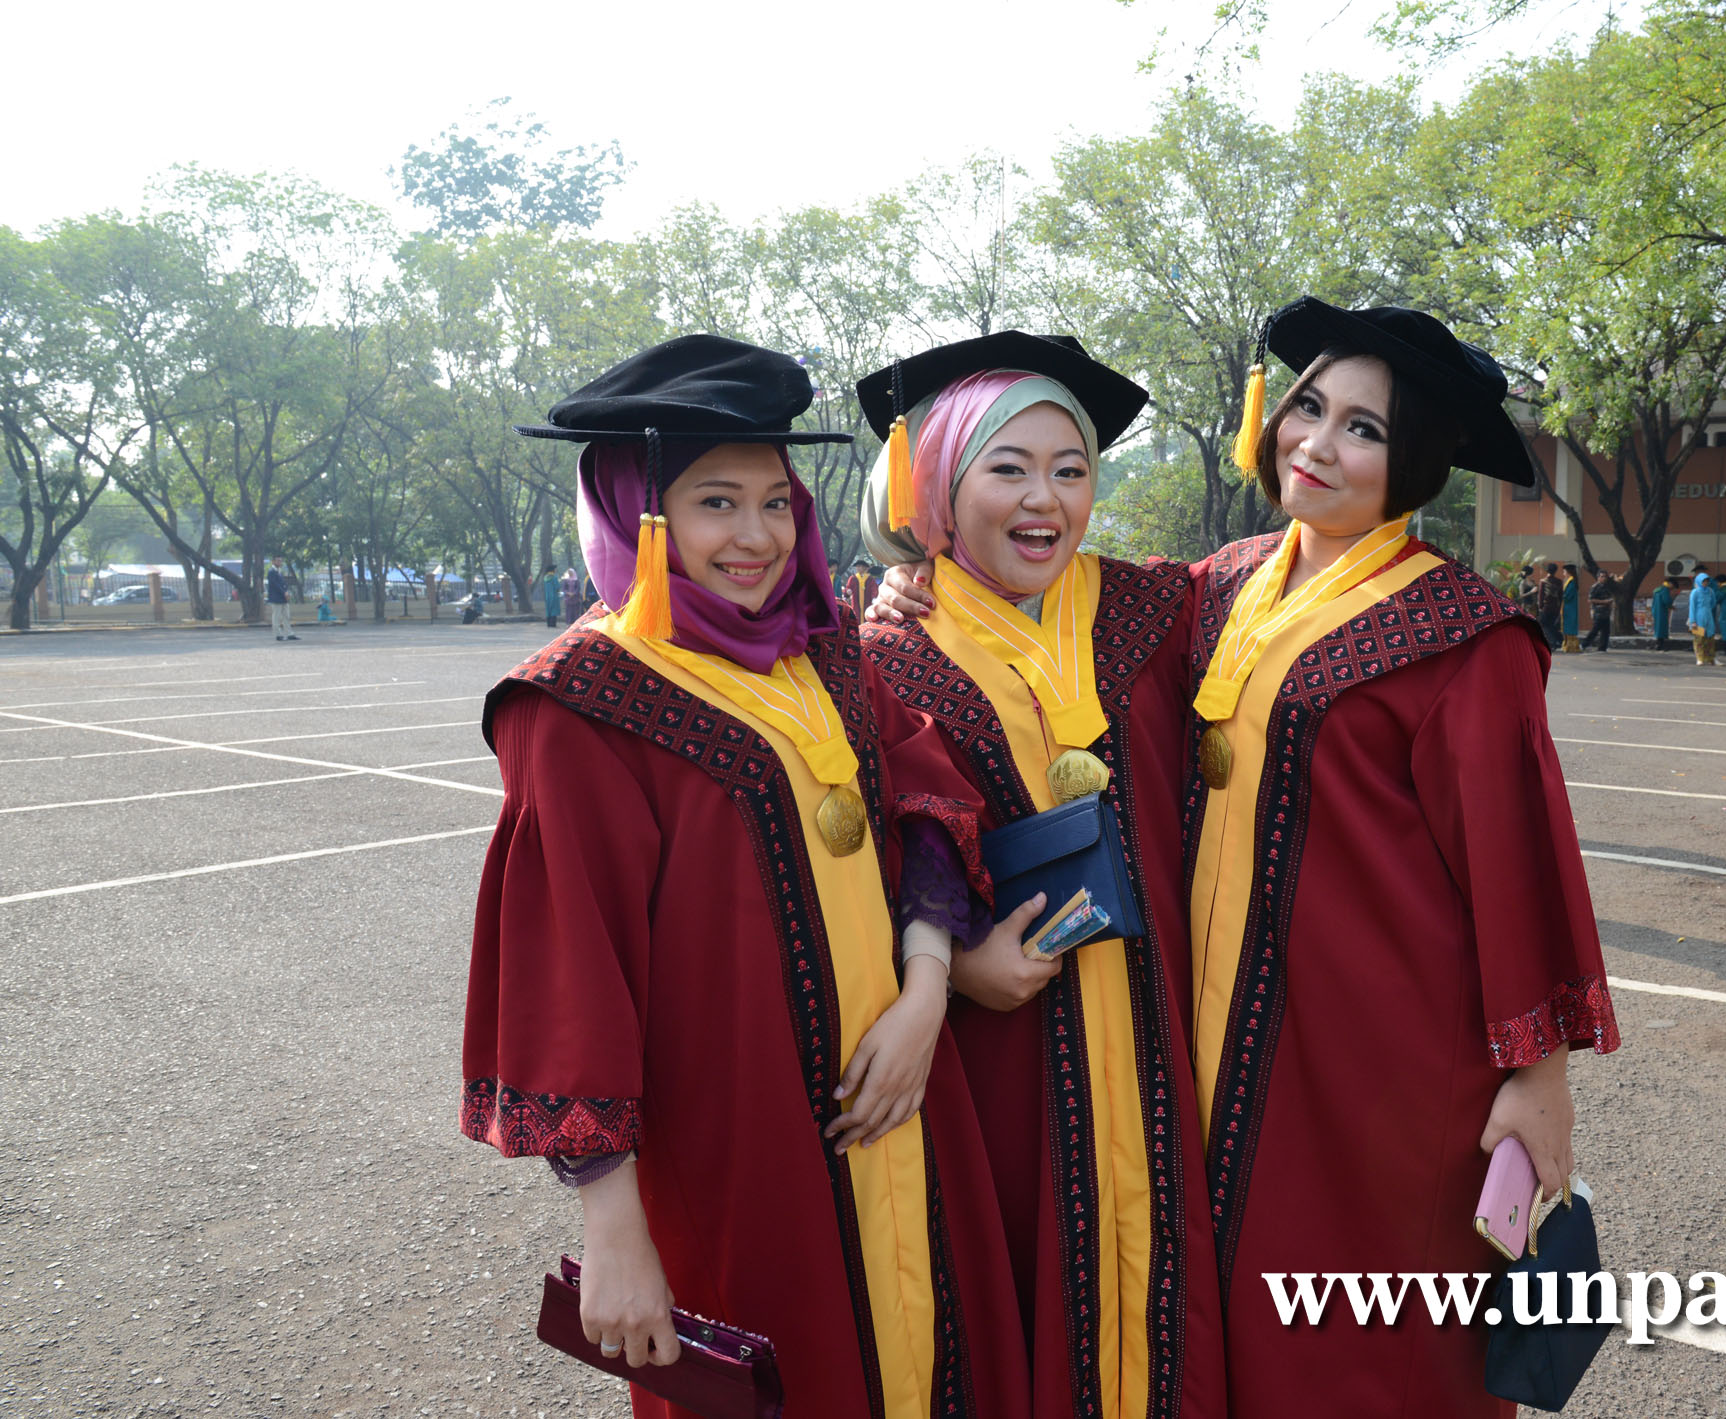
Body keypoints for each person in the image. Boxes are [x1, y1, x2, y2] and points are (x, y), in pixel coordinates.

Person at [460, 335, 1032, 1419]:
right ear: (637, 510)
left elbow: (919, 800)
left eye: (776, 502)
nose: (758, 536)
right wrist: (613, 1230)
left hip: (908, 1098)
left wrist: (924, 997)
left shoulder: (823, 650)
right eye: (716, 503)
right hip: (736, 1146)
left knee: (933, 1360)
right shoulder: (579, 705)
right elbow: (572, 977)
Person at [1182, 298, 1616, 1417]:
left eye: (1363, 429)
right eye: (1309, 408)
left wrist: (1541, 1076)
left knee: (1358, 1342)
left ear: (1413, 459)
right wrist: (923, 574)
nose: (1316, 444)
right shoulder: (1220, 584)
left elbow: (1518, 863)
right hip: (1213, 1032)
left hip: (1378, 1063)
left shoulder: (1463, 636)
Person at [853, 332, 1228, 1419]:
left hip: (1153, 1029)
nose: (1044, 500)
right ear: (935, 483)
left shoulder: (1152, 610)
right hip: (1002, 1053)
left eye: (1070, 470)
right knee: (1016, 1290)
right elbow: (875, 845)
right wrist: (956, 963)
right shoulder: (887, 652)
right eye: (1007, 468)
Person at [1687, 569, 1719, 665]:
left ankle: (1711, 658)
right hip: (1698, 617)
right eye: (1703, 581)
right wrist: (1693, 621)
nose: (1705, 583)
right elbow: (1692, 607)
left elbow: (1713, 603)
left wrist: (1707, 609)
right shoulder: (1695, 592)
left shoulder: (1710, 591)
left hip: (1708, 616)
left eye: (1707, 581)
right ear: (1699, 581)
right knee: (1699, 638)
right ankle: (1700, 658)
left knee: (1710, 637)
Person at [266, 557, 298, 642]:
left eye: (280, 561)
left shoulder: (279, 571)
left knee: (286, 616)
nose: (279, 562)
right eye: (277, 560)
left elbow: (283, 583)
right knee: (276, 617)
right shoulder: (271, 572)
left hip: (283, 597)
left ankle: (289, 634)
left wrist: (286, 592)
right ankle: (278, 635)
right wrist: (284, 592)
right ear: (273, 561)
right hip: (276, 597)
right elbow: (275, 585)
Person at [1535, 561, 1564, 649]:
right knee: (1551, 625)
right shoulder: (1559, 582)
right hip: (1555, 608)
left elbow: (1541, 596)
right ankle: (1560, 640)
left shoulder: (1543, 581)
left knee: (1543, 624)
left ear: (1547, 570)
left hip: (1546, 607)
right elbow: (1561, 596)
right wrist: (1559, 608)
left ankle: (1553, 642)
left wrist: (1540, 607)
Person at [1587, 567, 1615, 651]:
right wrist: (1604, 602)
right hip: (1598, 612)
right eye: (1602, 576)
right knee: (1595, 630)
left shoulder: (1607, 587)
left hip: (1606, 612)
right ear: (1598, 577)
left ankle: (1602, 648)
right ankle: (1584, 644)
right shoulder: (1595, 587)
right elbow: (1590, 600)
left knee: (1606, 631)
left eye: (1605, 576)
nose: (1604, 578)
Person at [1652, 575, 1676, 652]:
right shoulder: (1665, 590)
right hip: (1662, 611)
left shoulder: (1657, 589)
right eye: (1673, 586)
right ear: (1670, 583)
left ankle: (1658, 643)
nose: (1672, 588)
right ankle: (1659, 645)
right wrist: (1671, 606)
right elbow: (1667, 600)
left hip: (1655, 610)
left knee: (1657, 627)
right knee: (1662, 627)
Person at [1560, 564, 1581, 652]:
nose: (1563, 574)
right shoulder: (1571, 581)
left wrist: (1559, 596)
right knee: (1568, 626)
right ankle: (1568, 646)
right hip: (1569, 607)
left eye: (1564, 572)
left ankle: (1571, 647)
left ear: (1568, 572)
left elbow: (1567, 596)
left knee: (1569, 626)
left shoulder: (1571, 582)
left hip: (1569, 608)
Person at [541, 563, 562, 629]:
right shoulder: (554, 577)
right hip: (554, 596)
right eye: (555, 569)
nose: (555, 570)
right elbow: (557, 587)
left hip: (548, 596)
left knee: (549, 610)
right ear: (552, 570)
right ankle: (553, 624)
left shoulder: (545, 578)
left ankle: (549, 624)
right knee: (554, 610)